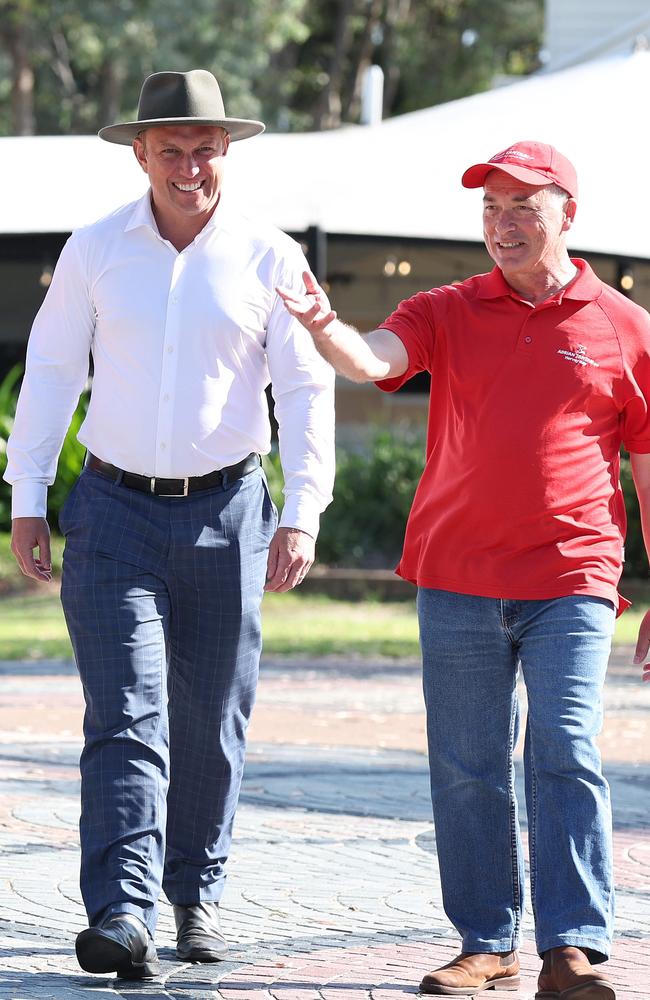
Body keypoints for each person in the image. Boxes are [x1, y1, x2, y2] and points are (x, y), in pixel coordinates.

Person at [278, 140, 650, 1000]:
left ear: (568, 213)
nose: (504, 223)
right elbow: (375, 360)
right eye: (491, 209)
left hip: (572, 575)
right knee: (469, 762)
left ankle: (572, 949)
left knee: (564, 744)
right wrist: (323, 323)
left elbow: (645, 463)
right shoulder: (445, 308)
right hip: (456, 573)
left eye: (524, 205)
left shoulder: (623, 327)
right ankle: (487, 941)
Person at [4, 69, 334, 979]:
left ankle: (198, 897)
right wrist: (26, 497)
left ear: (226, 150)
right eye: (171, 150)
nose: (190, 167)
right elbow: (50, 373)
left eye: (205, 149)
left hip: (231, 512)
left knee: (210, 718)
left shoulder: (272, 256)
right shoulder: (95, 249)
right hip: (111, 513)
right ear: (140, 153)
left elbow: (308, 392)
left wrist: (301, 511)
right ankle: (122, 911)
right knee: (125, 715)